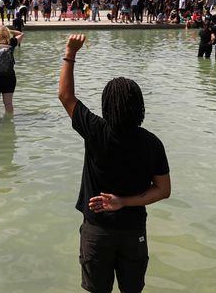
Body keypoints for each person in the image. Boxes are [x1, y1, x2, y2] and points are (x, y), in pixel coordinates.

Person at [58, 34, 171, 293]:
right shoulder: (152, 143)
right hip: (133, 231)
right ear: (139, 107)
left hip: (98, 230)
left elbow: (65, 96)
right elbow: (163, 190)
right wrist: (124, 201)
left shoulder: (96, 130)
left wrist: (70, 52)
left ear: (107, 106)